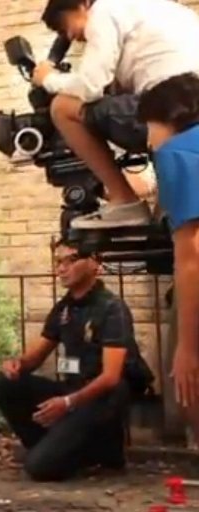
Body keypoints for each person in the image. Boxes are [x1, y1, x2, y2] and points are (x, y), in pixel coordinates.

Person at [0, 239, 152, 482]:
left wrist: (67, 403)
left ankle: (98, 453)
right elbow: (35, 357)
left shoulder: (111, 308)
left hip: (102, 397)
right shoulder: (64, 308)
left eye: (71, 260)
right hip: (73, 390)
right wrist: (17, 365)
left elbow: (110, 377)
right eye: (58, 262)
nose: (62, 268)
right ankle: (52, 448)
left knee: (38, 468)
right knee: (2, 383)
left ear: (94, 263)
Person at [33, 0, 199, 230]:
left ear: (82, 4)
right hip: (185, 101)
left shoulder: (103, 11)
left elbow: (90, 87)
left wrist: (48, 79)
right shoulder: (155, 9)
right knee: (167, 222)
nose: (71, 37)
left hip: (173, 107)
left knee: (62, 108)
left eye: (64, 26)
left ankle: (125, 201)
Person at [137, 72, 199, 441]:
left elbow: (192, 256)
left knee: (187, 393)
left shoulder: (177, 153)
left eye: (150, 127)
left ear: (170, 118)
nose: (148, 140)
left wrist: (188, 349)